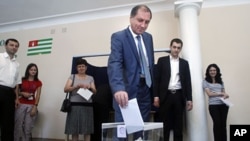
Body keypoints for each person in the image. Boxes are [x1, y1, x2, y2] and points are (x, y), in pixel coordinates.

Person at [107, 4, 154, 140]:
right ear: (131, 18)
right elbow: (114, 63)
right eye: (140, 20)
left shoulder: (148, 38)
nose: (144, 25)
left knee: (140, 131)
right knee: (122, 132)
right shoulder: (119, 37)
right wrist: (118, 88)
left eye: (147, 22)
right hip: (126, 92)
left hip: (145, 90)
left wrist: (154, 91)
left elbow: (149, 63)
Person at [154, 38, 193, 141]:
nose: (176, 49)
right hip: (165, 96)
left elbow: (188, 82)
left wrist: (189, 99)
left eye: (178, 48)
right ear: (170, 47)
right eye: (174, 47)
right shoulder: (162, 61)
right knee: (164, 124)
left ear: (181, 49)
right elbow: (156, 80)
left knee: (178, 125)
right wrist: (156, 96)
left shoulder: (184, 63)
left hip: (179, 96)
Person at [64, 58, 97, 141]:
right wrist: (76, 86)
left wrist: (90, 87)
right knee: (74, 129)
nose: (81, 68)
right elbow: (65, 89)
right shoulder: (72, 77)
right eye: (79, 66)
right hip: (74, 105)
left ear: (86, 68)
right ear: (76, 68)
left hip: (87, 105)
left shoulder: (90, 78)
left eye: (83, 66)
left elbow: (95, 91)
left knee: (87, 129)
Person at [14, 63, 42, 141]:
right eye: (31, 70)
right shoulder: (22, 80)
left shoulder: (38, 82)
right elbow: (16, 91)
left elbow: (38, 95)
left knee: (28, 127)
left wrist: (35, 107)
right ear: (28, 70)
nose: (33, 71)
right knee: (17, 126)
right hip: (21, 104)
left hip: (31, 106)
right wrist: (22, 94)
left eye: (35, 70)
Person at [0, 38, 21, 141]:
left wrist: (17, 98)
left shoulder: (17, 64)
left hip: (10, 93)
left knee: (8, 122)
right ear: (6, 46)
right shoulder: (0, 57)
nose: (14, 47)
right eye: (11, 45)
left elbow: (17, 83)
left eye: (16, 46)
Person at [203, 63, 229, 141]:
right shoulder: (205, 81)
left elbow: (224, 93)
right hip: (213, 105)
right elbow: (209, 94)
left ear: (217, 71)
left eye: (214, 70)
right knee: (217, 124)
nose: (212, 72)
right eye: (210, 70)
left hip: (223, 105)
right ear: (208, 72)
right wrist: (220, 93)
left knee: (223, 125)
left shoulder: (221, 81)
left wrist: (226, 95)